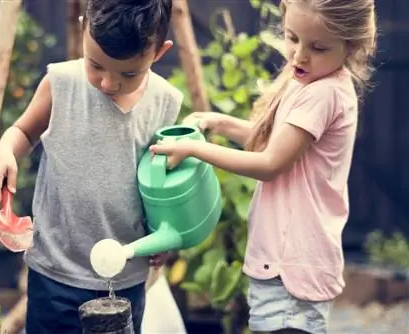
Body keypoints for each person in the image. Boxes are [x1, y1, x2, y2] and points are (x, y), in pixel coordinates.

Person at [150, 0, 377, 333]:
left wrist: (196, 149)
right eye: (292, 38)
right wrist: (220, 122)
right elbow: (273, 142)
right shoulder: (310, 81)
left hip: (292, 273)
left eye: (317, 47)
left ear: (351, 46)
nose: (299, 55)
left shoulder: (324, 94)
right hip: (285, 269)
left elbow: (270, 163)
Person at [0, 0, 183, 332]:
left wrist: (161, 238)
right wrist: (6, 150)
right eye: (96, 66)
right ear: (83, 28)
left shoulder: (165, 103)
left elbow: (161, 185)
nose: (108, 83)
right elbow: (23, 131)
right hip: (54, 273)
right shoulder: (62, 83)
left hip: (124, 278)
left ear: (159, 53)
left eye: (128, 73)